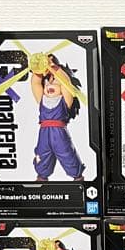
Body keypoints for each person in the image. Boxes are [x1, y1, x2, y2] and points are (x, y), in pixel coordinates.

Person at [30, 53, 85, 181]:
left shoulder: (65, 100)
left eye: (54, 81)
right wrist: (38, 67)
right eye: (47, 82)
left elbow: (65, 82)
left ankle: (78, 178)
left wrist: (53, 66)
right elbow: (35, 83)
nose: (49, 85)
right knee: (42, 155)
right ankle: (41, 179)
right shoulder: (42, 99)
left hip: (59, 133)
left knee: (67, 155)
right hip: (44, 133)